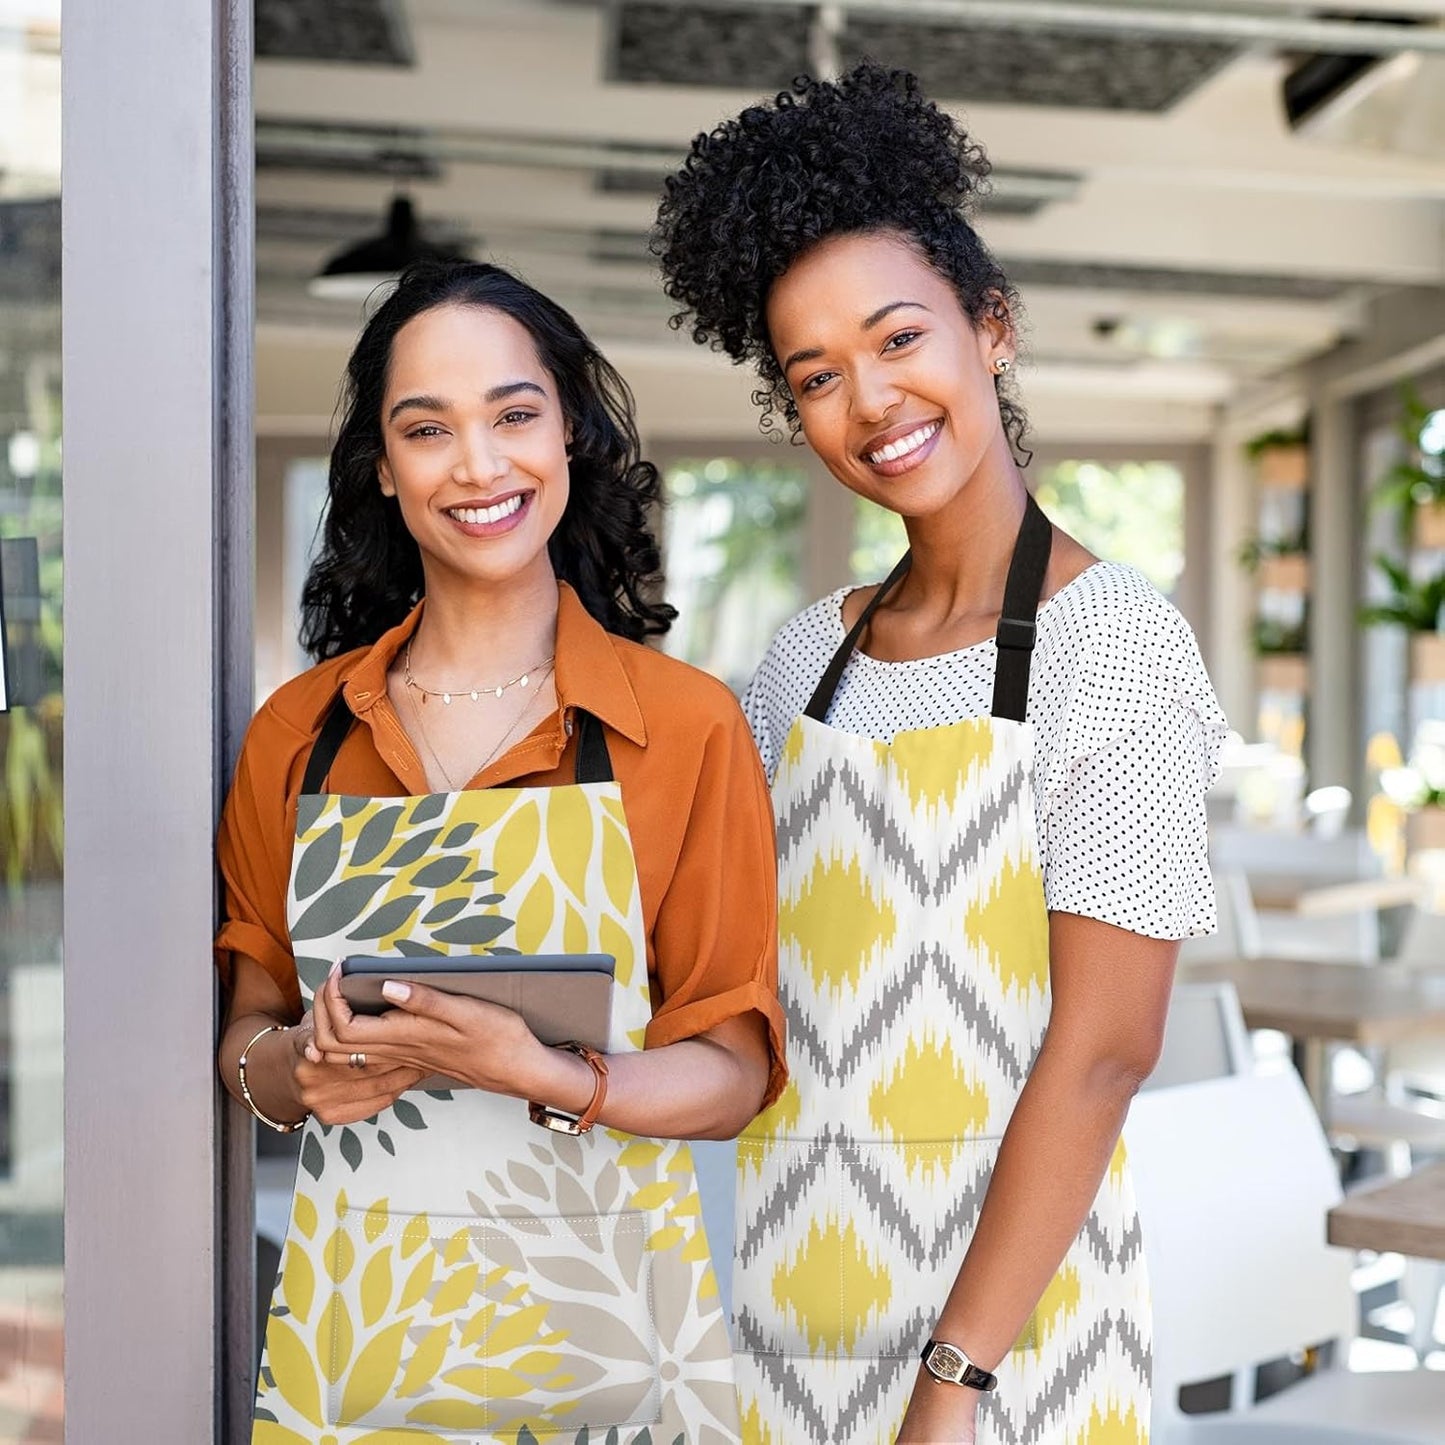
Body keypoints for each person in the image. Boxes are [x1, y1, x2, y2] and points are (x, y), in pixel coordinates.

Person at [654, 63, 1227, 1445]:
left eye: (900, 337)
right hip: (790, 1280)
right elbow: (732, 976)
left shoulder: (1119, 650)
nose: (871, 398)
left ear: (992, 328)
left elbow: (1103, 1052)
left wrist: (950, 1385)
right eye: (817, 376)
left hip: (1012, 1334)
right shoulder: (801, 661)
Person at [214, 259, 785, 1445]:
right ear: (385, 467)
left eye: (514, 415)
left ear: (568, 432)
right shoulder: (297, 733)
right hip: (358, 1350)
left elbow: (732, 1068)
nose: (478, 465)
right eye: (429, 429)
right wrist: (292, 1072)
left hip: (616, 1356)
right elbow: (247, 1029)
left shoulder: (680, 727)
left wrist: (548, 1072)